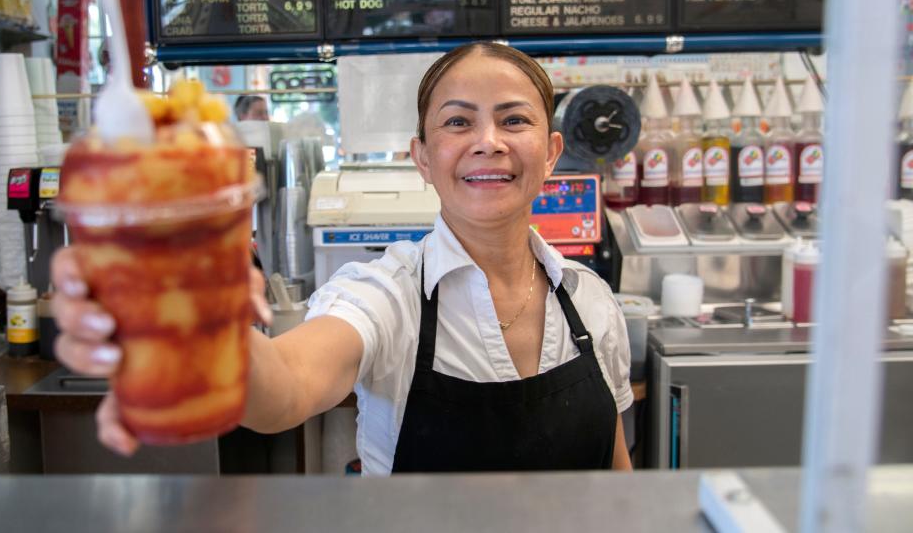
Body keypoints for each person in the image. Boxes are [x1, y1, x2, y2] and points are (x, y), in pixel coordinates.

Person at [51, 42, 633, 473]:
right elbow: (282, 391)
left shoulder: (590, 299)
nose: (489, 140)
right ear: (423, 158)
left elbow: (614, 471)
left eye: (514, 120)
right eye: (458, 121)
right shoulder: (387, 294)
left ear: (552, 152)